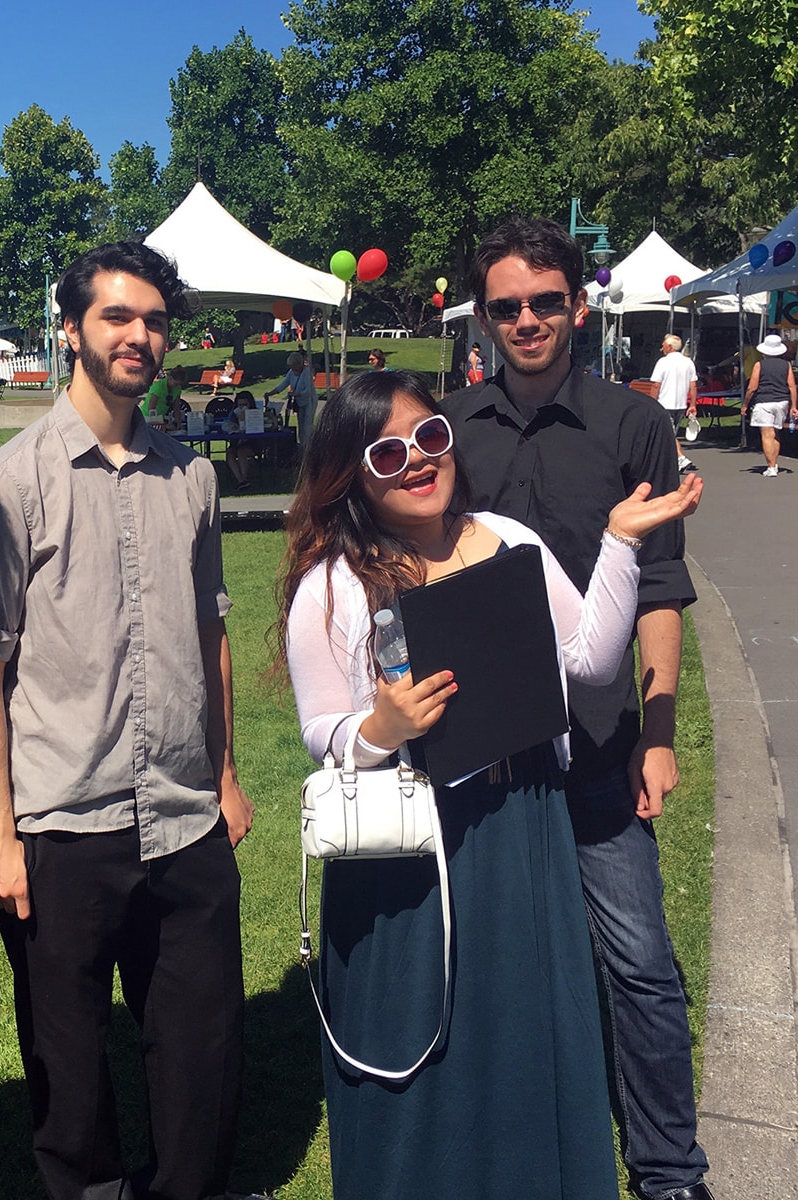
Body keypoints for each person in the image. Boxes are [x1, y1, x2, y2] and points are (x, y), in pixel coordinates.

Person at [283, 369, 701, 1198]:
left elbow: (587, 657)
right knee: (429, 1035)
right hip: (413, 851)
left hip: (524, 819)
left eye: (430, 437)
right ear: (351, 473)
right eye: (387, 451)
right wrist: (382, 729)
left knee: (526, 1022)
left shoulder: (506, 539)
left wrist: (618, 543)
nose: (416, 462)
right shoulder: (332, 583)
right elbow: (319, 729)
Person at [0, 241, 254, 1200]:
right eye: (118, 316)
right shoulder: (4, 485)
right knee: (70, 1070)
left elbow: (211, 636)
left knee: (200, 1046)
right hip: (60, 822)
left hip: (183, 813)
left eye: (155, 320)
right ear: (72, 327)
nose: (139, 335)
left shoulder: (190, 479)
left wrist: (228, 774)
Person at [442, 214, 713, 1200]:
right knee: (495, 969)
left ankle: (668, 1171)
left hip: (599, 748)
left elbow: (660, 588)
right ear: (482, 317)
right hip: (485, 753)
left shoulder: (631, 424)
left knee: (637, 964)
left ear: (577, 306)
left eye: (543, 302)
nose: (525, 320)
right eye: (505, 306)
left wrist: (660, 732)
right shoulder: (451, 428)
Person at [744, 334, 796, 478]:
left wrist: (745, 404)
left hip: (764, 400)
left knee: (767, 434)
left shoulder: (759, 365)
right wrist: (793, 406)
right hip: (782, 402)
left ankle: (771, 467)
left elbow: (752, 387)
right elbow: (792, 386)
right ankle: (774, 462)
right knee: (776, 432)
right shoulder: (787, 365)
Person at [651, 334, 699, 473]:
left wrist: (651, 402)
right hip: (680, 404)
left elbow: (655, 385)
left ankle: (680, 457)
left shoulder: (663, 362)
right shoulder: (688, 362)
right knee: (671, 433)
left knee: (669, 434)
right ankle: (672, 461)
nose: (662, 348)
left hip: (664, 403)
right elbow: (693, 385)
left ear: (670, 347)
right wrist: (693, 404)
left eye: (664, 345)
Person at [267, 351, 319, 437]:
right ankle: (302, 444)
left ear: (299, 364)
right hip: (300, 403)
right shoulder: (291, 373)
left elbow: (307, 392)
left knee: (307, 426)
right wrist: (270, 393)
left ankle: (308, 445)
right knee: (301, 427)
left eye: (293, 366)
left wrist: (296, 394)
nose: (292, 368)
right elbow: (282, 385)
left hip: (309, 401)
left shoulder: (306, 373)